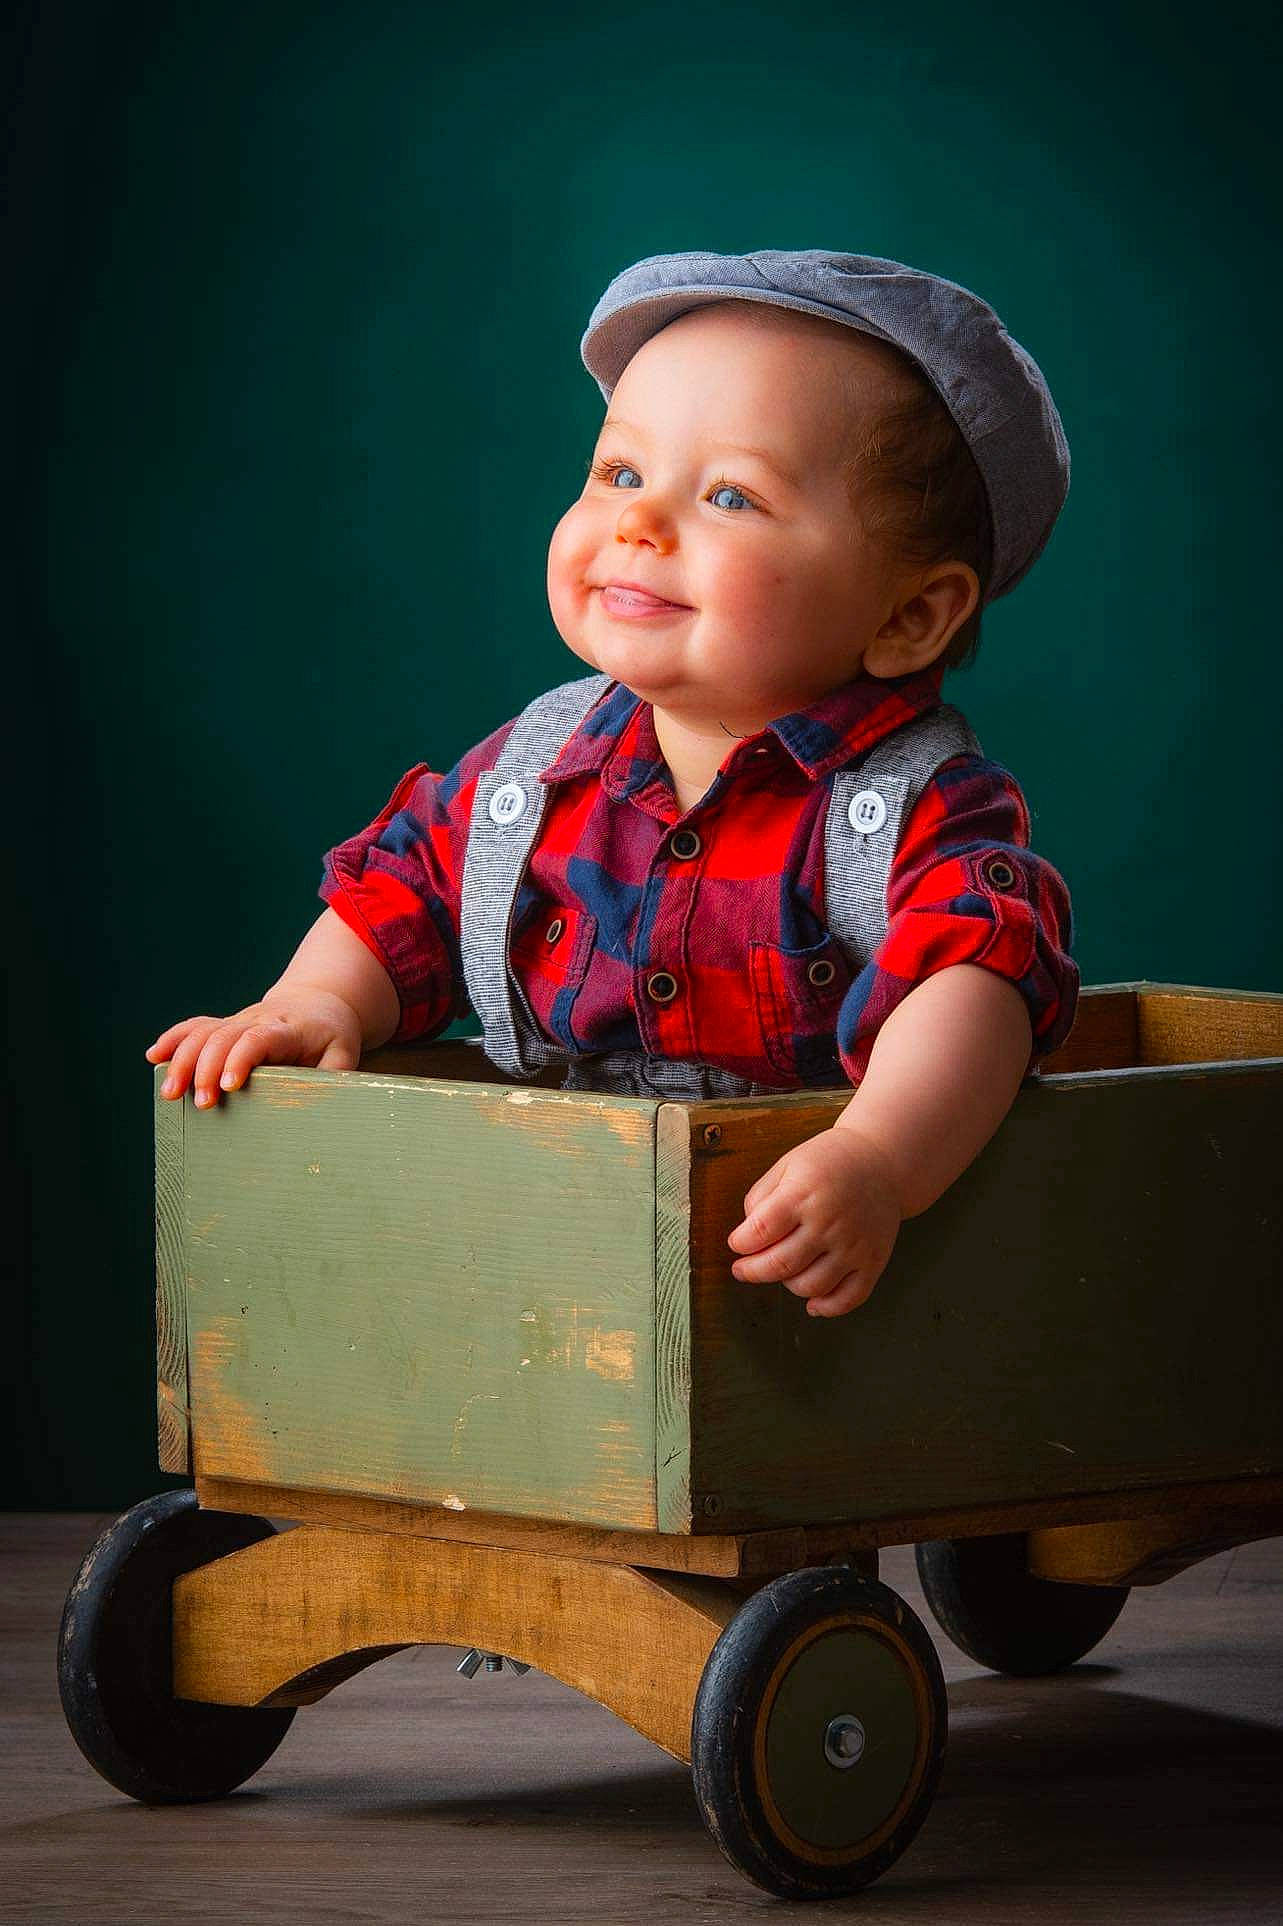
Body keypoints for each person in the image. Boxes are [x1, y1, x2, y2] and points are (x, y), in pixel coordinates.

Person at [147, 248, 1079, 1320]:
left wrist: (874, 1160)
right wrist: (314, 1001)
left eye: (730, 495)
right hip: (526, 1241)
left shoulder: (915, 811)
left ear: (908, 616)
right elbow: (404, 889)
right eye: (619, 474)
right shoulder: (530, 774)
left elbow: (973, 984)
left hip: (776, 1276)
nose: (637, 524)